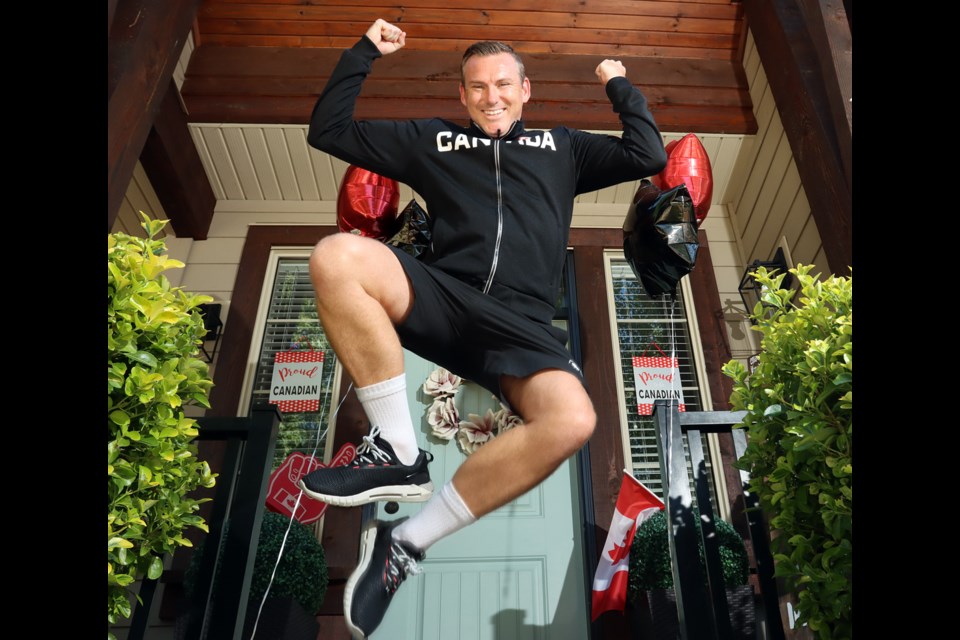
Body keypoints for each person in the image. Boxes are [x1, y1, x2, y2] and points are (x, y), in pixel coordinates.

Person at [299, 18, 667, 639]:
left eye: (502, 85)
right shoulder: (432, 140)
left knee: (573, 420)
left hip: (521, 326)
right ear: (462, 96)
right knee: (336, 256)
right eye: (477, 88)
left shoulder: (563, 149)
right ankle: (399, 451)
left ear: (526, 89)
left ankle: (407, 544)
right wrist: (364, 51)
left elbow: (647, 153)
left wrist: (619, 84)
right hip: (445, 297)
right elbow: (327, 131)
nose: (490, 97)